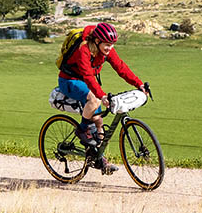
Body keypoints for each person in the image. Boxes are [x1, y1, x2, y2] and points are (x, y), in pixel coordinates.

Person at [55, 21, 145, 174]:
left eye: (112, 44)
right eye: (107, 44)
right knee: (94, 100)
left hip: (85, 82)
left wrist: (139, 84)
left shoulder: (107, 50)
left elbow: (120, 67)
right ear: (97, 41)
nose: (110, 48)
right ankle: (82, 129)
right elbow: (89, 77)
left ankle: (98, 158)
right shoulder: (83, 49)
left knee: (99, 122)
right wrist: (101, 95)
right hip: (69, 81)